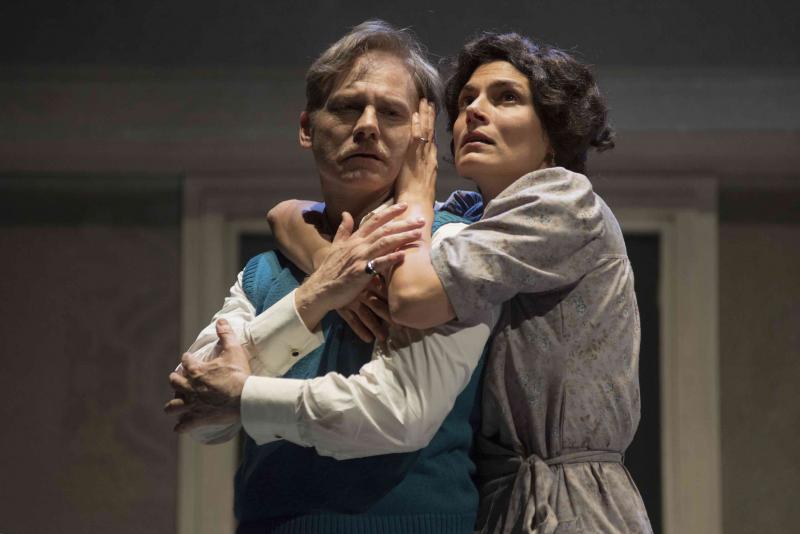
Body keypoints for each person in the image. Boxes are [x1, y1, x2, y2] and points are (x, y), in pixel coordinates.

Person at [271, 33, 653, 533]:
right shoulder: (472, 217)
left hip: (571, 505)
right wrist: (332, 270)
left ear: (554, 131)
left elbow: (411, 297)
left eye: (505, 97)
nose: (473, 111)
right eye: (466, 99)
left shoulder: (564, 202)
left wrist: (414, 194)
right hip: (498, 497)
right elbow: (287, 215)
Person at [165, 20, 495, 534]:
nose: (367, 126)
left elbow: (398, 417)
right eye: (347, 107)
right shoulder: (264, 272)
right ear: (307, 128)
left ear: (421, 134)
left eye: (390, 112)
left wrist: (244, 395)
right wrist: (313, 298)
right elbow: (199, 414)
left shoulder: (450, 246)